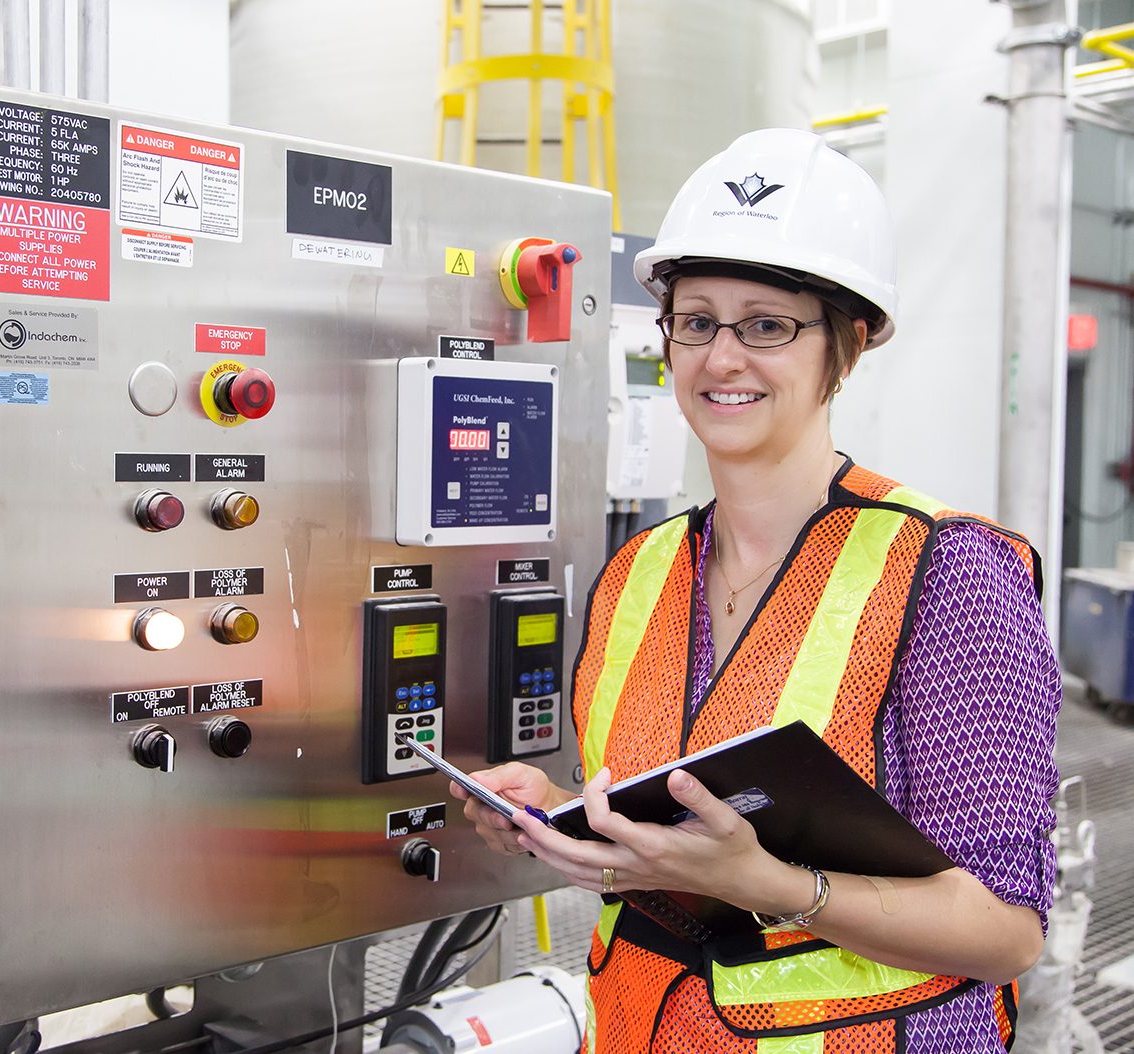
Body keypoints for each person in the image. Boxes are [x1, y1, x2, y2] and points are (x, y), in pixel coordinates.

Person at [452, 128, 1061, 1053]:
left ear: (846, 348)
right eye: (694, 321)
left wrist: (772, 887)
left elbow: (1006, 933)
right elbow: (673, 806)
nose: (720, 357)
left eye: (767, 325)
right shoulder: (639, 570)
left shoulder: (948, 574)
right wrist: (560, 812)